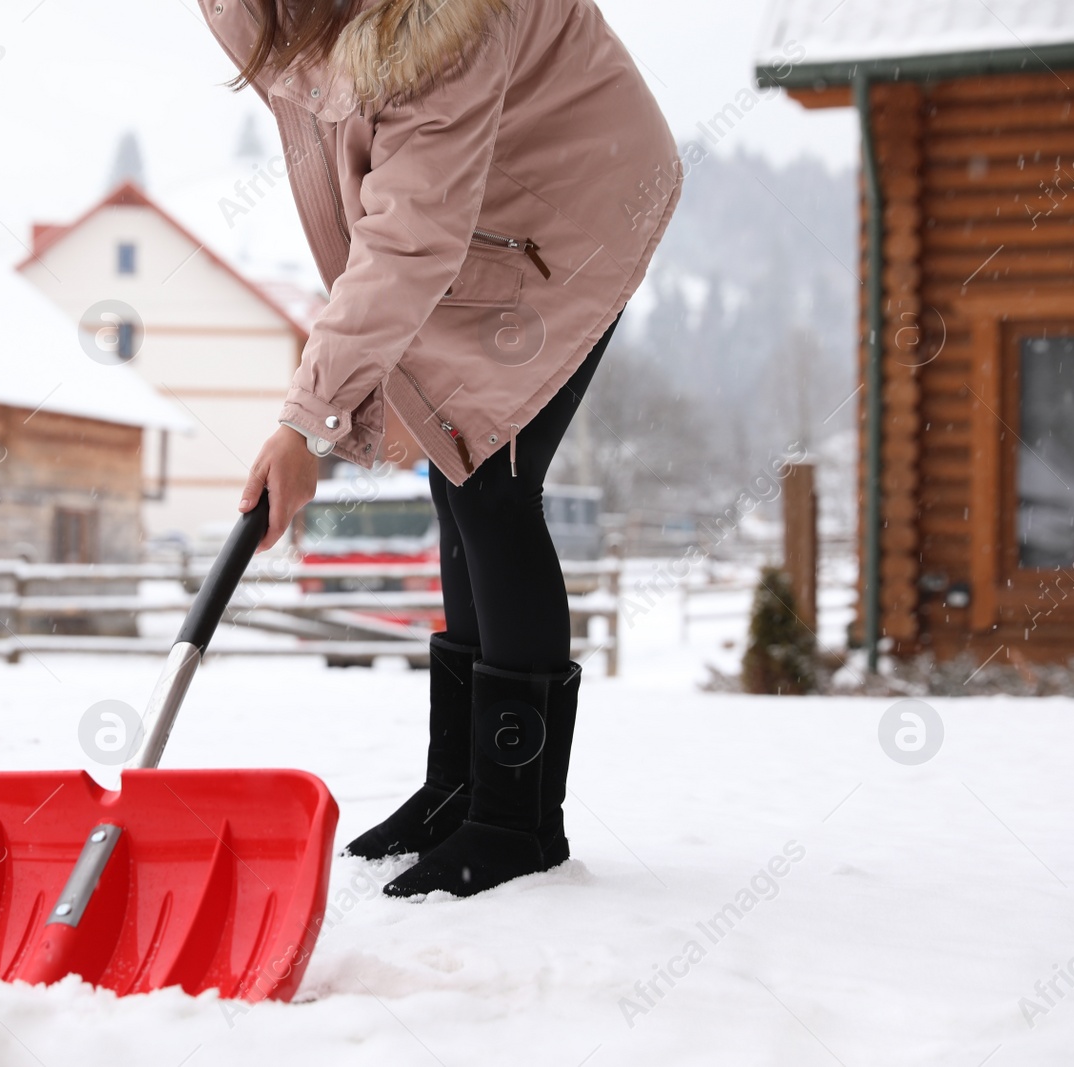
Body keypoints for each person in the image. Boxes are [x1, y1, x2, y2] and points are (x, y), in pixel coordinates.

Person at [200, 0, 680, 897]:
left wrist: (307, 420)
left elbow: (409, 239)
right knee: (455, 474)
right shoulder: (259, 9)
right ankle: (461, 784)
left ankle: (517, 819)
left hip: (577, 201)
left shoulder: (446, 22)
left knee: (494, 486)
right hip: (479, 193)